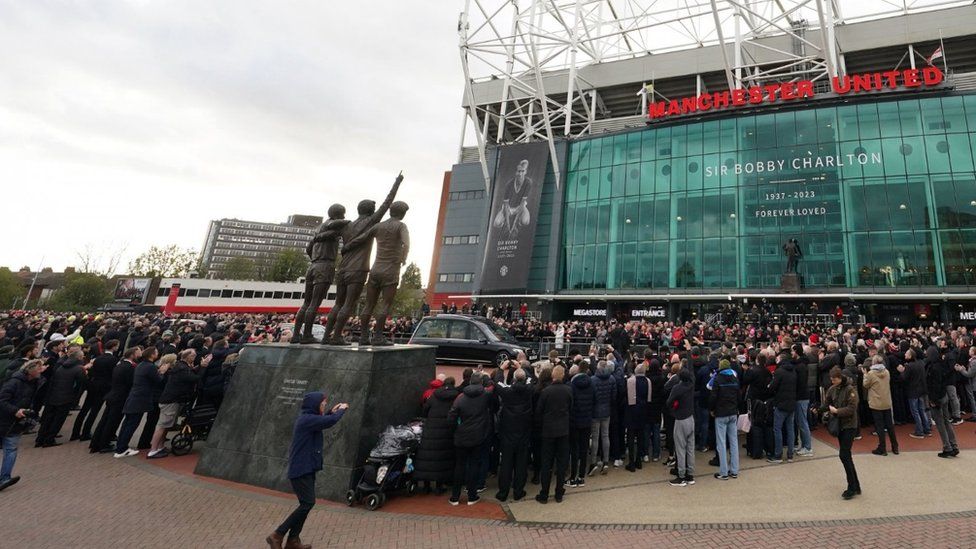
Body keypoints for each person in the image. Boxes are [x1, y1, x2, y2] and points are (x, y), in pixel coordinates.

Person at [266, 391, 348, 549]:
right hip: (301, 470)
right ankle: (277, 534)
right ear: (314, 405)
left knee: (306, 504)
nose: (324, 405)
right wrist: (341, 410)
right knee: (307, 503)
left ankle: (293, 541)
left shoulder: (309, 418)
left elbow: (323, 420)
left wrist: (332, 410)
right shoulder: (306, 420)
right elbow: (329, 421)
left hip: (307, 468)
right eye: (322, 403)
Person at [448, 371, 494, 506]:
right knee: (474, 464)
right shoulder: (485, 395)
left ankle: (455, 497)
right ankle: (472, 495)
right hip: (478, 436)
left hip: (461, 435)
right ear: (481, 382)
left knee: (460, 465)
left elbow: (451, 417)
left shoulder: (460, 398)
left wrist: (456, 429)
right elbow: (493, 389)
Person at [0, 359, 46, 491]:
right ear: (31, 371)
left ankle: (4, 477)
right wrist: (16, 411)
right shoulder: (14, 382)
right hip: (7, 420)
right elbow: (2, 400)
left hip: (15, 422)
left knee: (10, 449)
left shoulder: (34, 381)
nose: (41, 371)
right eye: (39, 368)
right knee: (10, 449)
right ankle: (4, 478)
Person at [148, 349, 203, 459]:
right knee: (162, 425)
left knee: (167, 425)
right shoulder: (182, 368)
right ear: (187, 357)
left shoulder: (180, 367)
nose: (195, 357)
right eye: (193, 355)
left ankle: (160, 446)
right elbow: (193, 378)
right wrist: (203, 367)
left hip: (172, 399)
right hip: (171, 401)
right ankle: (153, 450)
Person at [818, 367, 861, 500]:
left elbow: (852, 408)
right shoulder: (832, 389)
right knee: (846, 456)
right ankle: (855, 485)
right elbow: (827, 404)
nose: (832, 381)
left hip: (849, 425)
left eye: (834, 379)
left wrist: (837, 411)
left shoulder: (850, 390)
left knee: (844, 455)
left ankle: (852, 487)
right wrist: (817, 409)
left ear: (839, 377)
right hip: (840, 426)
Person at [114, 347, 165, 458]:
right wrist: (162, 372)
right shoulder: (150, 367)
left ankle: (120, 446)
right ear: (152, 355)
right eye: (156, 352)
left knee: (127, 423)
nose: (157, 354)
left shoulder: (141, 365)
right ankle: (122, 449)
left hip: (134, 397)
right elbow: (158, 380)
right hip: (140, 399)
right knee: (132, 424)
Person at [35, 348, 91, 448]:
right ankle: (49, 439)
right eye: (82, 356)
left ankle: (40, 438)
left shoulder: (61, 366)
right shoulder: (79, 369)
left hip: (53, 395)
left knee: (48, 418)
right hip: (66, 396)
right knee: (58, 419)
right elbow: (82, 384)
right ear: (78, 357)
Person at [90, 346, 141, 454]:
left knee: (104, 420)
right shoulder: (129, 367)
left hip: (113, 395)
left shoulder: (120, 365)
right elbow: (130, 383)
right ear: (132, 355)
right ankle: (103, 444)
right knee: (112, 422)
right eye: (138, 353)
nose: (139, 355)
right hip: (120, 397)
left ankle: (96, 443)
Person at [413, 377, 458, 494]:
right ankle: (439, 486)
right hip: (446, 430)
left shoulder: (434, 395)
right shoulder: (455, 397)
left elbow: (425, 410)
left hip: (430, 429)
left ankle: (426, 485)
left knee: (427, 456)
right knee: (441, 458)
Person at [493, 367, 533, 501]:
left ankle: (503, 492)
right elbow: (532, 378)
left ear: (514, 379)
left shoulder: (507, 392)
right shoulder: (529, 389)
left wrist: (500, 369)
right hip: (523, 433)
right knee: (521, 464)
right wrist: (522, 367)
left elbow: (497, 381)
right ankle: (518, 491)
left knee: (506, 464)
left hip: (508, 434)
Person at [535, 365, 572, 504]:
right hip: (563, 431)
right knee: (561, 464)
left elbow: (539, 411)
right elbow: (571, 408)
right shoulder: (568, 390)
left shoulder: (546, 392)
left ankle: (544, 493)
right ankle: (558, 493)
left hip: (548, 431)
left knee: (547, 463)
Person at [71, 339, 119, 441]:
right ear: (114, 347)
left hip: (93, 385)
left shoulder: (98, 358)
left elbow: (92, 371)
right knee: (94, 411)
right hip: (104, 387)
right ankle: (86, 433)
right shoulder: (113, 360)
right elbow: (113, 375)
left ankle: (75, 433)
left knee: (84, 409)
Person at [925, 345, 959, 458]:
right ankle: (954, 446)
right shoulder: (942, 364)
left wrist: (934, 400)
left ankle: (947, 447)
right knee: (946, 421)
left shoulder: (933, 368)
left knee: (940, 424)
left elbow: (934, 386)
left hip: (937, 398)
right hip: (944, 395)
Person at [708, 359, 740, 480]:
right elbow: (739, 396)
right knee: (733, 441)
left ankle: (723, 471)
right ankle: (734, 469)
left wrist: (711, 409)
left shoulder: (717, 379)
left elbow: (713, 396)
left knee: (721, 443)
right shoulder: (735, 378)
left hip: (721, 413)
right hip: (732, 412)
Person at [862, 354, 898, 456]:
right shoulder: (886, 372)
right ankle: (895, 446)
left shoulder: (871, 374)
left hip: (876, 402)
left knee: (879, 426)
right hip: (886, 401)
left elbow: (866, 384)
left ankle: (882, 447)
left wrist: (865, 374)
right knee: (890, 425)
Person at [567, 361, 595, 487]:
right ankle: (581, 476)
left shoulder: (572, 385)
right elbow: (595, 400)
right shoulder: (591, 384)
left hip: (575, 420)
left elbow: (570, 402)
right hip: (587, 419)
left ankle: (573, 477)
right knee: (584, 449)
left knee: (575, 449)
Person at [666, 368, 695, 486]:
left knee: (680, 449)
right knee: (690, 448)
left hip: (681, 419)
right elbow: (691, 371)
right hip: (690, 418)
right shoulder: (691, 385)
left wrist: (674, 411)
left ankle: (681, 476)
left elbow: (668, 402)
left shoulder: (677, 388)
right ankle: (690, 474)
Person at [766, 353, 797, 464]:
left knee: (777, 429)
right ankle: (790, 455)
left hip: (781, 403)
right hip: (791, 403)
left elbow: (773, 387)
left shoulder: (779, 372)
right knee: (790, 429)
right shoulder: (793, 371)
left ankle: (778, 455)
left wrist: (770, 387)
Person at [588, 359, 616, 475]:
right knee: (605, 435)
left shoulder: (593, 380)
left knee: (595, 437)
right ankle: (605, 461)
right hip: (607, 410)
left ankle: (593, 462)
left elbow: (591, 396)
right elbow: (614, 396)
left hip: (595, 411)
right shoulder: (612, 379)